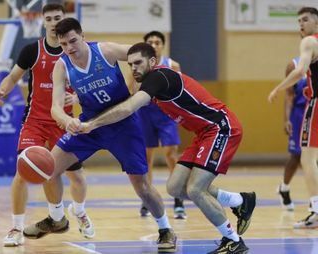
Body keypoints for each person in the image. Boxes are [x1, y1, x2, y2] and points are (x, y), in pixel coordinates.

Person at [78, 43, 257, 254]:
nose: (133, 68)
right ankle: (240, 200)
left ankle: (234, 241)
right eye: (130, 64)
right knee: (175, 188)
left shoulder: (158, 77)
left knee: (195, 189)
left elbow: (128, 107)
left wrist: (91, 124)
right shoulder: (151, 85)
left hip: (220, 128)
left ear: (152, 62)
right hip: (203, 134)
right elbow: (125, 99)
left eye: (138, 63)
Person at [22, 18, 177, 253]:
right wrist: (67, 121)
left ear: (83, 36)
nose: (69, 48)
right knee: (49, 168)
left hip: (124, 124)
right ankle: (57, 219)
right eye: (63, 44)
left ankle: (165, 229)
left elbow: (142, 56)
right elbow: (55, 107)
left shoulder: (106, 50)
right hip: (89, 124)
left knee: (142, 186)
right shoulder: (62, 65)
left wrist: (151, 80)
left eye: (73, 41)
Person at [0, 4, 94, 247]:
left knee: (77, 177)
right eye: (48, 19)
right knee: (22, 173)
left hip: (65, 122)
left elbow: (92, 82)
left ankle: (78, 211)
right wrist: (2, 90)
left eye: (57, 18)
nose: (52, 22)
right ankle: (17, 227)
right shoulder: (32, 50)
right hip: (35, 121)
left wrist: (78, 98)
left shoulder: (75, 50)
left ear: (64, 19)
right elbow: (13, 76)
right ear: (42, 21)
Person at [268, 7, 318, 229]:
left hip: (316, 105)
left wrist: (278, 88)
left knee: (307, 159)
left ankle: (316, 211)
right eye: (298, 20)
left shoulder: (309, 42)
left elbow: (300, 71)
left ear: (316, 24)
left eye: (305, 20)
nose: (301, 24)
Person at [133, 31, 185, 219]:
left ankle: (178, 197)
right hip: (145, 114)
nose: (154, 45)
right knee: (146, 159)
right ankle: (147, 198)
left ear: (163, 45)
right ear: (145, 45)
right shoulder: (138, 65)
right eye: (150, 42)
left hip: (167, 114)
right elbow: (132, 90)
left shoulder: (172, 65)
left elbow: (181, 90)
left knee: (171, 154)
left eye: (157, 42)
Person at [278, 57, 307, 211]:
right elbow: (289, 95)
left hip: (314, 114)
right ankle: (284, 188)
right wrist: (287, 119)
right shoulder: (294, 65)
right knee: (296, 156)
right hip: (299, 115)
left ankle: (314, 200)